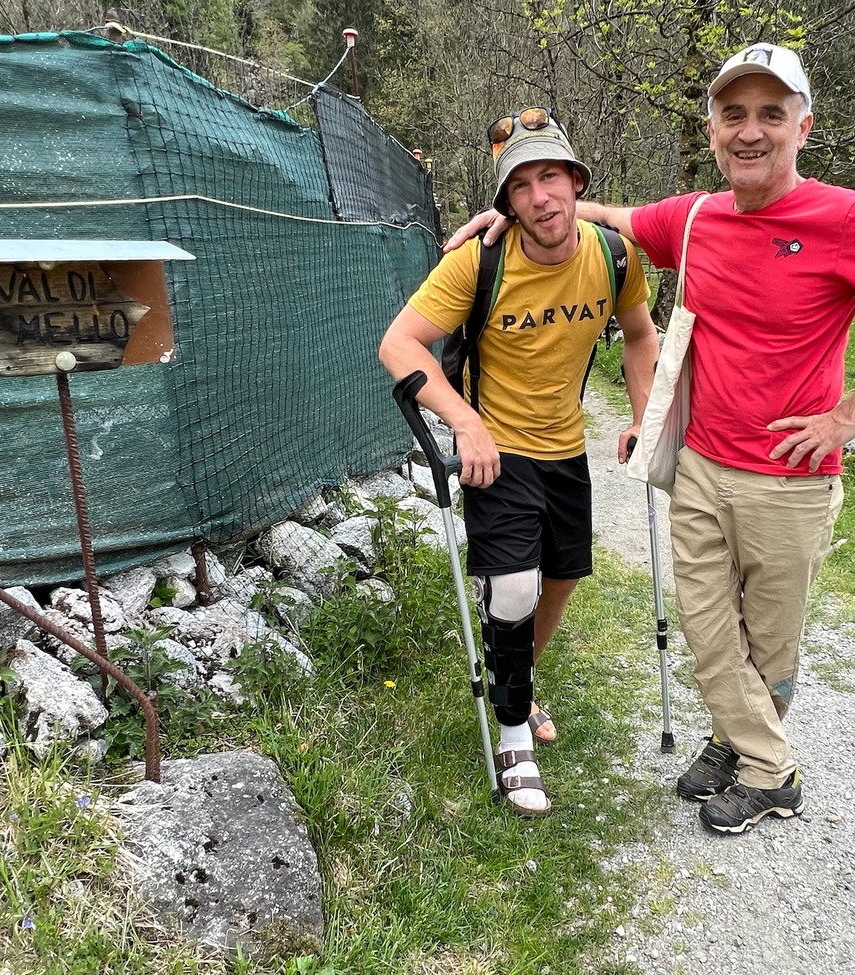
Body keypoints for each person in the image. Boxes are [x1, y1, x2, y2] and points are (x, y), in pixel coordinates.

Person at [446, 44, 855, 834]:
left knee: (768, 639)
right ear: (712, 131)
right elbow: (607, 217)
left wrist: (851, 414)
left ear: (804, 125)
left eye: (772, 114)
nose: (752, 132)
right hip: (699, 464)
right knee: (709, 632)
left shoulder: (849, 218)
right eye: (735, 115)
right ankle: (754, 754)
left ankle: (761, 763)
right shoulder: (697, 218)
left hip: (791, 477)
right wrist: (520, 206)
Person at [379, 108, 657, 817]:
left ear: (575, 179)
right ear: (506, 201)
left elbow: (637, 332)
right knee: (513, 587)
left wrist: (641, 414)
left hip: (566, 447)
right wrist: (464, 422)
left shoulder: (616, 255)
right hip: (496, 451)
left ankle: (519, 675)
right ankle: (511, 734)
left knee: (559, 579)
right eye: (523, 184)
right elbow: (399, 344)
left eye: (552, 175)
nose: (542, 196)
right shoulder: (478, 260)